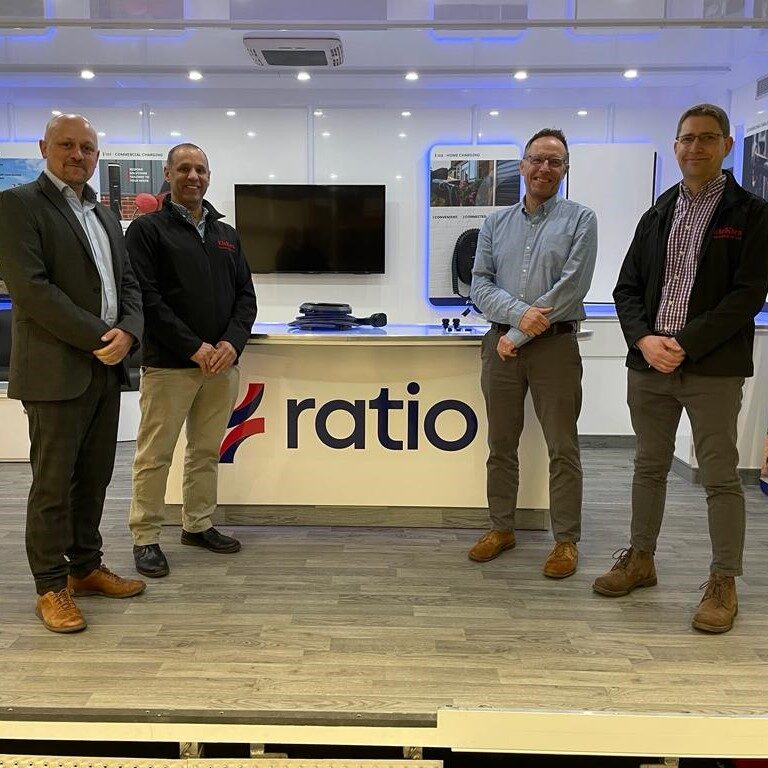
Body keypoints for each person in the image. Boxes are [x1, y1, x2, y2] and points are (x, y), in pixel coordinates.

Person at [592, 103, 768, 634]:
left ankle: (724, 580)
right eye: (687, 138)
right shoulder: (658, 212)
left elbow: (748, 295)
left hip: (712, 368)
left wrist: (684, 344)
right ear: (675, 147)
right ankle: (640, 559)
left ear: (727, 146)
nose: (696, 147)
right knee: (648, 466)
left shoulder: (752, 214)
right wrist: (646, 340)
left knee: (719, 477)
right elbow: (626, 288)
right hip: (649, 366)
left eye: (708, 138)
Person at [0, 114, 146, 633]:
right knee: (53, 485)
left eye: (86, 147)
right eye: (66, 144)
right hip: (56, 371)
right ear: (44, 148)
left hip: (105, 371)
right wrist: (103, 337)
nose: (77, 155)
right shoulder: (18, 206)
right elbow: (32, 290)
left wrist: (129, 332)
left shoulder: (103, 214)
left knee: (95, 478)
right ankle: (50, 585)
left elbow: (129, 284)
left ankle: (84, 567)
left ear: (97, 156)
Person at [468, 128, 598, 578]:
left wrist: (518, 333)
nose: (545, 168)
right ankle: (501, 528)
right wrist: (519, 318)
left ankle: (566, 541)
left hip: (554, 347)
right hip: (500, 347)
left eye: (555, 161)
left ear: (565, 170)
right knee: (500, 445)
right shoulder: (495, 224)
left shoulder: (581, 220)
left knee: (563, 447)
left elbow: (572, 288)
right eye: (537, 159)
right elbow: (479, 284)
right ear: (522, 165)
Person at [127, 143, 257, 578]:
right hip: (170, 366)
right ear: (168, 174)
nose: (193, 176)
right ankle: (145, 537)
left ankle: (197, 525)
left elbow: (245, 297)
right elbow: (146, 298)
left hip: (220, 367)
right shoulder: (147, 230)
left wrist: (231, 344)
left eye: (200, 169)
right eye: (184, 168)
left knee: (205, 451)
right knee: (155, 455)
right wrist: (192, 347)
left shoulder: (227, 234)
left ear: (209, 176)